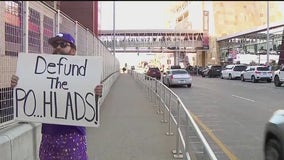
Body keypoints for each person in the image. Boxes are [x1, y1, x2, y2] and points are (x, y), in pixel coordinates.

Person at [11, 32, 103, 160]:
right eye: (55, 45)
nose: (58, 47)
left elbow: (89, 103)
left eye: (63, 44)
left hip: (73, 136)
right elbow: (32, 93)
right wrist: (19, 85)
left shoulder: (84, 74)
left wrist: (97, 93)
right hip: (48, 136)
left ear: (73, 51)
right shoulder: (44, 74)